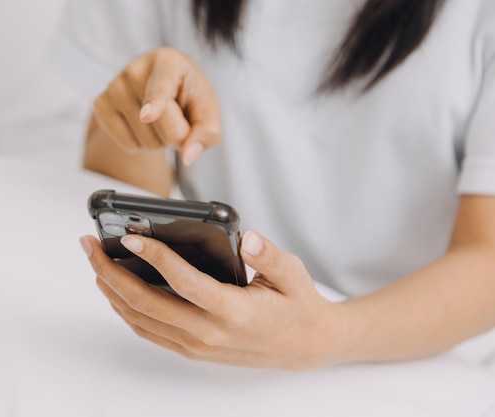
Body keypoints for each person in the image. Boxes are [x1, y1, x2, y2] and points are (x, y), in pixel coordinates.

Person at [74, 0, 495, 370]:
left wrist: (328, 332)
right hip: (207, 336)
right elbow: (121, 186)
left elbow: (486, 257)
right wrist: (147, 118)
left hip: (416, 356)